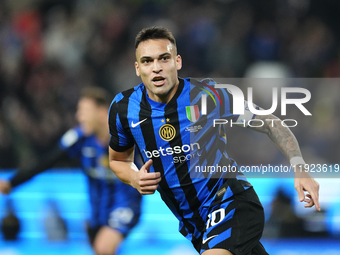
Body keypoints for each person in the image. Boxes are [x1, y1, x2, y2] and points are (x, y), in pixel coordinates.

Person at [108, 26, 320, 255]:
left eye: (164, 58)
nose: (157, 68)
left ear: (177, 62)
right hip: (196, 225)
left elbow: (271, 123)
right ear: (138, 68)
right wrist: (134, 178)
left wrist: (300, 168)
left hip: (231, 201)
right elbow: (118, 160)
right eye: (147, 61)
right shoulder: (123, 108)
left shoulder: (207, 95)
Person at [0, 87, 142, 255]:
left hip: (125, 205)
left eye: (85, 111)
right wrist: (12, 182)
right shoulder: (79, 138)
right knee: (100, 249)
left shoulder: (127, 135)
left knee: (104, 248)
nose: (79, 116)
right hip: (96, 212)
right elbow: (47, 161)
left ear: (102, 112)